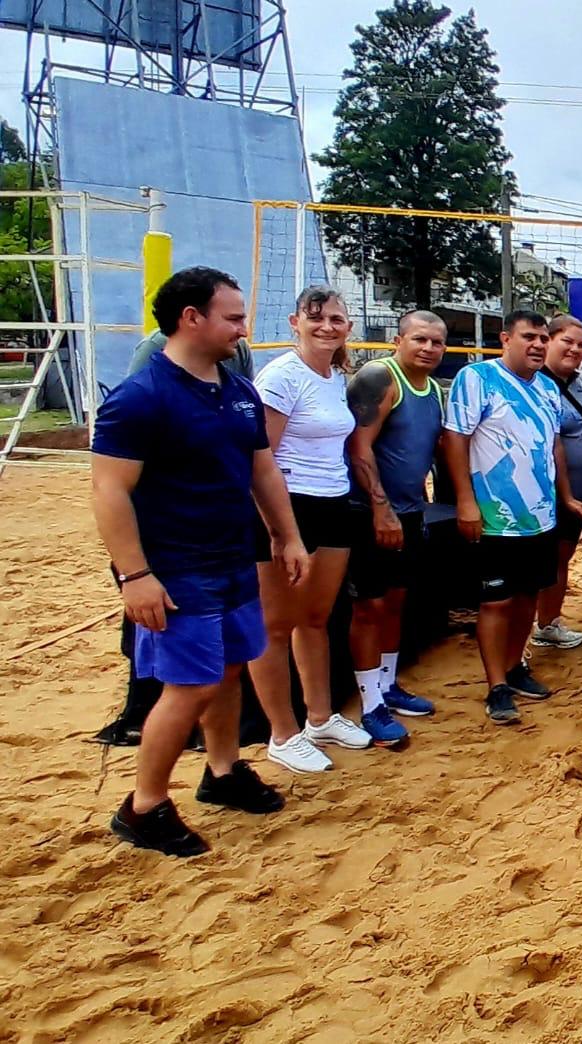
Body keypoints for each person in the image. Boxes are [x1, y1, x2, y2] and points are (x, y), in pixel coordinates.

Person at [91, 267, 308, 856]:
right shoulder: (141, 398)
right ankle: (144, 806)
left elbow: (262, 468)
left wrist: (286, 536)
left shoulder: (236, 390)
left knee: (234, 664)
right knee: (189, 686)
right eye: (233, 317)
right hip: (176, 567)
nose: (243, 329)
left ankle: (223, 771)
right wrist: (135, 576)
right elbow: (109, 492)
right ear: (192, 318)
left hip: (234, 554)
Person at [250, 286, 372, 771]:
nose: (327, 326)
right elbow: (261, 459)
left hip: (332, 502)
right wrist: (281, 531)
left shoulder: (333, 377)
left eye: (337, 319)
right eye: (316, 317)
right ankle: (282, 733)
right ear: (294, 322)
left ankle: (319, 717)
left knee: (316, 618)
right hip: (289, 506)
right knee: (275, 626)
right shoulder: (281, 376)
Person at [444, 310, 579, 723]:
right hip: (495, 515)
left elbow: (554, 446)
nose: (538, 344)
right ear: (506, 339)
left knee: (528, 596)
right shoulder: (478, 379)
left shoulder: (548, 389)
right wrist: (465, 501)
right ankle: (496, 685)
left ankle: (516, 666)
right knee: (496, 601)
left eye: (542, 337)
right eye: (529, 337)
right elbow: (455, 439)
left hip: (540, 515)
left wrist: (567, 497)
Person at [343, 309, 446, 747]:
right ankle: (370, 705)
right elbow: (358, 446)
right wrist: (379, 509)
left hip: (410, 510)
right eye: (419, 339)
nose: (428, 348)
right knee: (371, 607)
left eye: (436, 342)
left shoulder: (434, 390)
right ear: (399, 340)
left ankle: (387, 685)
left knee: (397, 602)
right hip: (369, 510)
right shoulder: (380, 378)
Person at [533, 315, 582, 650]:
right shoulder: (534, 383)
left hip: (579, 493)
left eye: (581, 344)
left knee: (562, 557)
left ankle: (549, 623)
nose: (575, 349)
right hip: (547, 494)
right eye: (567, 341)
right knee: (539, 563)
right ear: (548, 340)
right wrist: (566, 493)